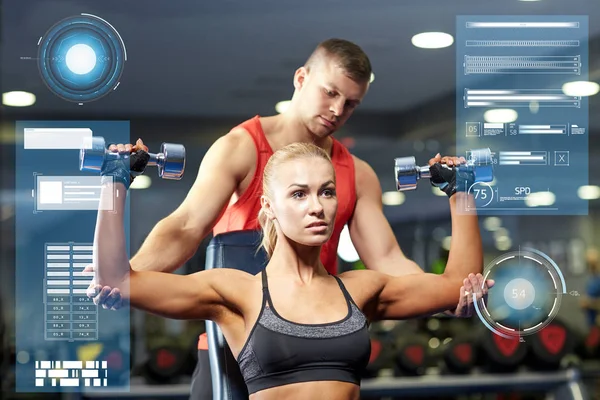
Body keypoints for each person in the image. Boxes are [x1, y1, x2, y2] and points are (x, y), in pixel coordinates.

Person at [88, 38, 493, 399]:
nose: (337, 110)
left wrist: (445, 297)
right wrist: (125, 278)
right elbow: (186, 227)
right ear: (301, 78)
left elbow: (388, 259)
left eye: (351, 103)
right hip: (240, 332)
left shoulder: (358, 174)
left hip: (324, 323)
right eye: (330, 93)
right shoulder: (242, 147)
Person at [93, 142, 487, 400]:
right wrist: (115, 179)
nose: (317, 206)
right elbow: (118, 280)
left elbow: (457, 286)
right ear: (268, 206)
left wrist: (461, 191)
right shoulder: (236, 293)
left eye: (327, 191)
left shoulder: (362, 289)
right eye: (298, 194)